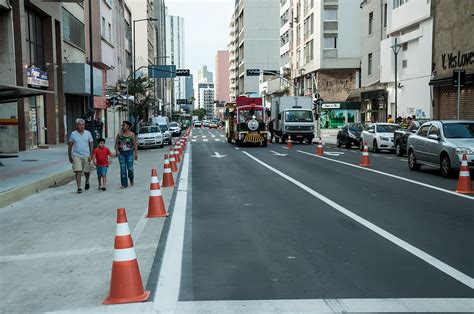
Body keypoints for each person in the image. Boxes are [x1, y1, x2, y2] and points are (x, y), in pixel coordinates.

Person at [68, 118, 94, 193]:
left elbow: (91, 144)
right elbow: (70, 145)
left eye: (83, 125)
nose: (82, 126)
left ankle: (87, 181)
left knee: (87, 171)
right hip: (76, 155)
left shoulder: (88, 133)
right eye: (80, 125)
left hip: (86, 154)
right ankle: (79, 187)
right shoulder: (73, 134)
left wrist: (91, 155)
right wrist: (70, 156)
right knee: (78, 170)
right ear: (76, 126)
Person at [115, 121, 138, 189]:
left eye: (124, 125)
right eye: (122, 125)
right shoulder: (119, 134)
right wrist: (117, 151)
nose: (122, 126)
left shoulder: (132, 134)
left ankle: (131, 178)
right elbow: (116, 144)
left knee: (130, 169)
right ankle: (124, 184)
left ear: (128, 126)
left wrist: (136, 153)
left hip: (130, 153)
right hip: (121, 153)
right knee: (123, 169)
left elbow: (135, 144)